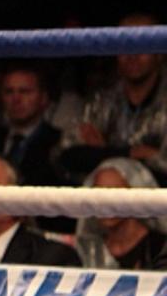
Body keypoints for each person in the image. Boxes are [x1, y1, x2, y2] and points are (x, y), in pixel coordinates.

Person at [59, 13, 167, 186]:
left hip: (159, 206)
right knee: (107, 178)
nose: (132, 54)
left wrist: (103, 153)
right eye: (124, 44)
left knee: (109, 178)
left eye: (142, 44)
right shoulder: (100, 99)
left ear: (160, 53)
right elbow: (67, 156)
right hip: (101, 199)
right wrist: (130, 153)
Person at [0, 63, 72, 232]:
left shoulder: (60, 142)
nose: (16, 99)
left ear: (43, 98)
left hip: (45, 230)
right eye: (9, 92)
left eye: (25, 91)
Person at [75, 157, 167, 271]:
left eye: (115, 193)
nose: (106, 202)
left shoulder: (160, 248)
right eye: (98, 194)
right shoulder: (90, 248)